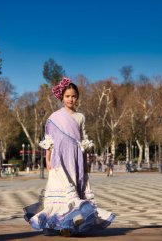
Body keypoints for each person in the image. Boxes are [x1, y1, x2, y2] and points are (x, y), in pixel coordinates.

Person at [24, 77, 115, 236]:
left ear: (77, 97)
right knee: (62, 190)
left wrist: (85, 162)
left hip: (76, 159)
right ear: (62, 97)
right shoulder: (54, 117)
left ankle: (72, 224)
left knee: (75, 188)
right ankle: (62, 225)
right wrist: (47, 158)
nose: (70, 99)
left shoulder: (81, 117)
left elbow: (83, 140)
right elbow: (49, 140)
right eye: (67, 96)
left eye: (73, 96)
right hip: (59, 159)